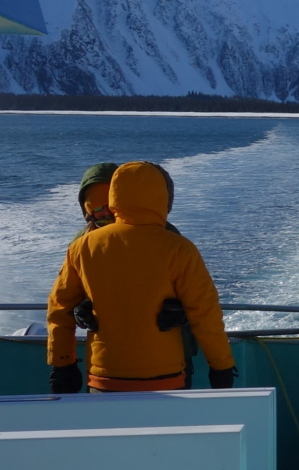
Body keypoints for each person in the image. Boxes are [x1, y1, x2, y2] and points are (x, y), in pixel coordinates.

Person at [46, 161, 235, 393]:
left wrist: (62, 363)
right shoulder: (178, 247)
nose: (103, 212)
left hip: (105, 372)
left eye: (106, 204)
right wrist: (221, 366)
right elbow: (206, 312)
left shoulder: (83, 246)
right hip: (166, 372)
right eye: (95, 208)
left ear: (116, 197)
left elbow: (58, 308)